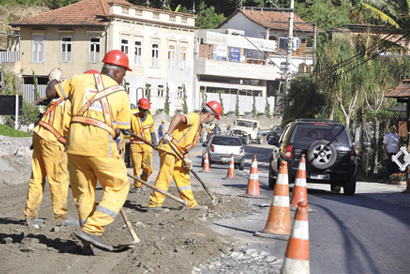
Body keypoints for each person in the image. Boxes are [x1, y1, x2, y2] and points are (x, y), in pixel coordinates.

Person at [45, 49, 131, 252]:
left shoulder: (79, 79)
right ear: (118, 73)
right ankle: (93, 228)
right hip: (100, 144)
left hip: (74, 145)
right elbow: (118, 131)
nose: (123, 79)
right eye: (124, 75)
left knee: (84, 192)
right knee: (119, 185)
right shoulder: (121, 94)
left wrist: (54, 79)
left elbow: (50, 93)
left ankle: (87, 242)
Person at [24, 68, 77, 228]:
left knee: (37, 177)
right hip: (53, 141)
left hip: (40, 134)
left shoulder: (58, 98)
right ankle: (61, 215)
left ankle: (30, 215)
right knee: (59, 177)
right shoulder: (72, 103)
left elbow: (48, 94)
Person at [147, 100, 222, 212]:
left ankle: (190, 203)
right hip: (169, 148)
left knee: (183, 175)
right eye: (214, 117)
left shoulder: (199, 127)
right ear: (209, 114)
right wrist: (168, 133)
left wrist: (187, 159)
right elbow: (178, 117)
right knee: (165, 174)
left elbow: (184, 144)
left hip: (177, 151)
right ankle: (154, 204)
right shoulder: (194, 117)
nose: (213, 120)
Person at [128, 98, 156, 193]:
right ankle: (137, 186)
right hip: (135, 145)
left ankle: (143, 182)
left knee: (149, 168)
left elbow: (152, 132)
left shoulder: (150, 118)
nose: (145, 112)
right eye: (144, 110)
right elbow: (125, 129)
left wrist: (154, 141)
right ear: (139, 109)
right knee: (136, 168)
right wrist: (125, 131)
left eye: (146, 110)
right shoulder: (132, 118)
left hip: (147, 145)